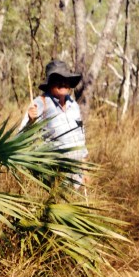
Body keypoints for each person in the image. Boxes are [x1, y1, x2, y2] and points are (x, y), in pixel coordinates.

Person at [18, 59, 88, 191]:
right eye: (57, 79)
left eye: (65, 79)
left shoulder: (74, 105)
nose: (63, 83)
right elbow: (20, 137)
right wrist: (30, 121)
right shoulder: (40, 104)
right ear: (49, 84)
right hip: (55, 177)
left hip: (78, 176)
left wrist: (85, 170)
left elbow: (81, 139)